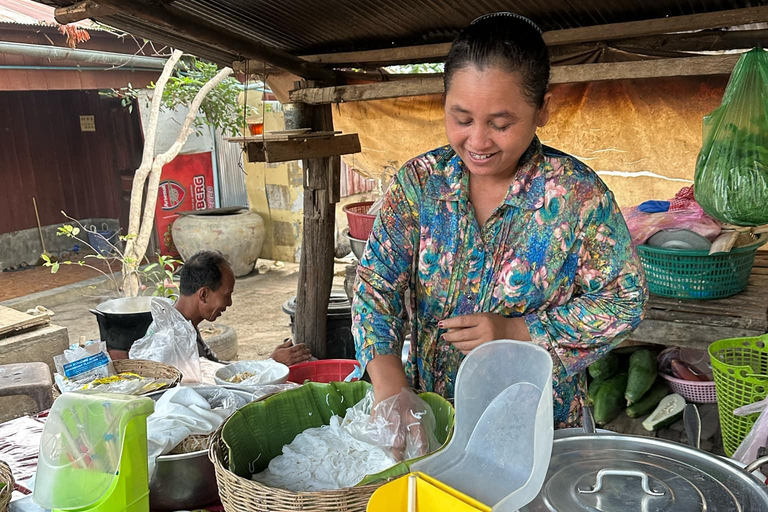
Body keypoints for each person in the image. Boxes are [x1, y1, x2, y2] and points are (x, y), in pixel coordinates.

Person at [352, 12, 648, 430]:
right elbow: (375, 286)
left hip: (536, 427)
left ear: (542, 109)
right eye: (462, 118)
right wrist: (390, 386)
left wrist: (516, 331)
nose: (477, 142)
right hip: (429, 416)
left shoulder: (577, 197)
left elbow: (624, 299)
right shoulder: (420, 185)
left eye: (500, 124)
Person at [148, 250, 312, 366]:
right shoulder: (172, 338)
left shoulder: (182, 323)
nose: (229, 303)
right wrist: (271, 365)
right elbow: (211, 387)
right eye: (227, 295)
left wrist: (270, 362)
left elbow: (216, 368)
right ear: (204, 294)